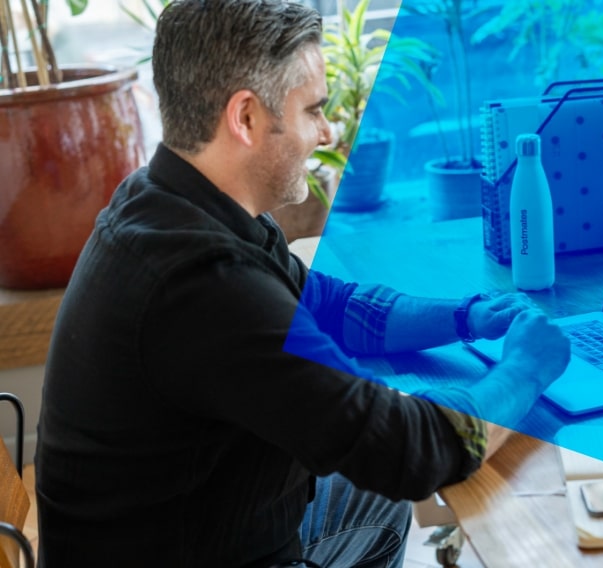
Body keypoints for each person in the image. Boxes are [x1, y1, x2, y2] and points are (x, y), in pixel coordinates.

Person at [33, 1, 571, 567]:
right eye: (313, 110)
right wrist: (528, 368)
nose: (328, 130)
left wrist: (468, 314)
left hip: (190, 525)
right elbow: (414, 451)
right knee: (393, 473)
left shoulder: (174, 199)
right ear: (245, 118)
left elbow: (333, 307)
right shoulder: (202, 284)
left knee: (374, 498)